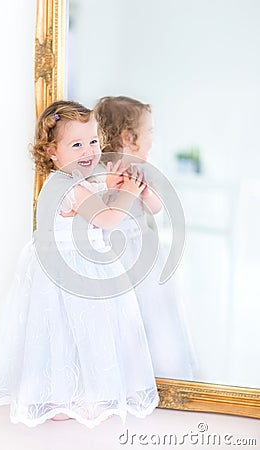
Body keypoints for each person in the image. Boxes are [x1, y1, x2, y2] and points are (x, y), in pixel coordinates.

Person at [0, 100, 160, 428]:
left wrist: (120, 185)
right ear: (52, 153)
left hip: (82, 267)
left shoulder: (83, 181)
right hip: (66, 272)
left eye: (92, 141)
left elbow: (109, 199)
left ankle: (82, 388)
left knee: (86, 332)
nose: (88, 151)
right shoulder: (65, 187)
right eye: (76, 144)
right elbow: (106, 220)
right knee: (63, 333)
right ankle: (58, 395)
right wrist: (129, 194)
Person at [94, 96, 198, 380]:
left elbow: (154, 208)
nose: (153, 139)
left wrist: (144, 192)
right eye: (149, 132)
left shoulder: (141, 170)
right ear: (128, 137)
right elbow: (101, 214)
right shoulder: (103, 172)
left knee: (157, 312)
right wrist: (116, 188)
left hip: (145, 251)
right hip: (117, 254)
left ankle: (162, 369)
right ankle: (128, 374)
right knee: (125, 317)